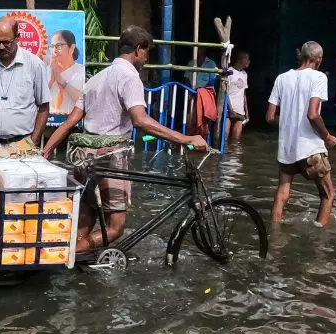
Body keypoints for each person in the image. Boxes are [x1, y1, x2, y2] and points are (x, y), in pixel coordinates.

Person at [42, 26, 207, 250]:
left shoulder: (96, 79)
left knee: (86, 223)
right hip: (110, 159)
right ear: (139, 49)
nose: (146, 60)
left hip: (84, 158)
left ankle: (64, 262)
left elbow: (71, 121)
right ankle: (62, 253)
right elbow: (140, 120)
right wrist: (185, 138)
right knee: (115, 228)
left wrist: (46, 150)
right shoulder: (130, 77)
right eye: (147, 53)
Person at [267, 41, 336, 227]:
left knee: (282, 194)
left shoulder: (281, 78)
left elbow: (269, 117)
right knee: (328, 195)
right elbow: (313, 114)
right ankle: (319, 242)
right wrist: (327, 136)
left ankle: (273, 235)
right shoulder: (319, 77)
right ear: (318, 59)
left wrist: (288, 125)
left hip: (286, 149)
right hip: (311, 149)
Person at [0, 15, 50, 147]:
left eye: (6, 42)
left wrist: (33, 141)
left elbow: (44, 107)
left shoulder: (35, 65)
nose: (1, 47)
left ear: (17, 38)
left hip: (21, 143)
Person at [48, 30, 85, 116]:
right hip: (47, 124)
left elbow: (86, 102)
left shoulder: (81, 72)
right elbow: (36, 100)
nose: (55, 50)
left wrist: (61, 81)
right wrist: (50, 81)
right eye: (52, 46)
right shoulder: (45, 70)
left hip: (73, 125)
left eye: (58, 46)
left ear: (71, 48)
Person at [224, 50, 251, 141]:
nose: (249, 61)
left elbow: (244, 94)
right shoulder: (229, 71)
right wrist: (231, 109)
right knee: (225, 139)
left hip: (240, 112)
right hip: (228, 110)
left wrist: (246, 112)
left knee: (236, 141)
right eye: (247, 59)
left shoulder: (244, 74)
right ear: (241, 59)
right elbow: (225, 92)